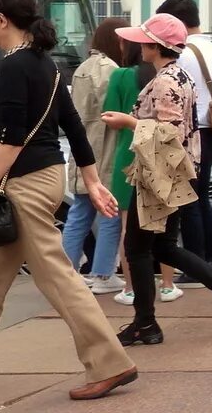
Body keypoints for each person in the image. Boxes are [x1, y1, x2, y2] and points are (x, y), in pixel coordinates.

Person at [0, 0, 136, 402]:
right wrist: (93, 180)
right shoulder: (46, 64)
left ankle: (110, 363)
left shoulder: (15, 66)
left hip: (24, 181)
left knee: (58, 276)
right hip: (46, 176)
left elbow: (11, 137)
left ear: (0, 19)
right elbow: (74, 127)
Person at [103, 14, 212, 346]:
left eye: (143, 40)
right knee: (163, 246)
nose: (138, 45)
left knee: (137, 249)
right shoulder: (180, 76)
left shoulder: (166, 81)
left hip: (160, 173)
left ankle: (146, 323)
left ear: (156, 46)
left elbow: (167, 132)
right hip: (171, 172)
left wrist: (129, 121)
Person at [156, 0, 212, 279]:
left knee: (188, 201)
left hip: (188, 132)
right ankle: (208, 256)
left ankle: (196, 263)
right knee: (202, 196)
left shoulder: (182, 53)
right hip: (211, 131)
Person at [62, 17, 128, 296]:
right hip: (105, 151)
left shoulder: (82, 68)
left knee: (79, 213)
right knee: (110, 214)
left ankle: (64, 273)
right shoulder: (110, 69)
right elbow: (110, 111)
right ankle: (103, 274)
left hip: (82, 151)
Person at [106, 39, 160, 307]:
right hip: (160, 157)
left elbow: (110, 116)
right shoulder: (166, 76)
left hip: (128, 154)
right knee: (162, 229)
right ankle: (168, 284)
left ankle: (130, 288)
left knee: (128, 228)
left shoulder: (121, 76)